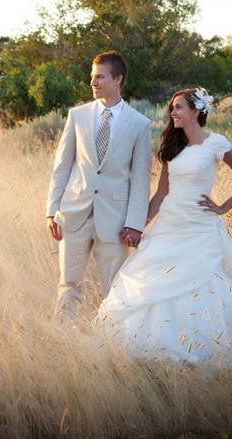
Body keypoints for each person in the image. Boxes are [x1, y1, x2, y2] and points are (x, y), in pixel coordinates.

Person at [96, 87, 232, 366]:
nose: (173, 113)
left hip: (200, 227)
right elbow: (161, 194)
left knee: (201, 281)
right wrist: (137, 225)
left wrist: (222, 208)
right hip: (170, 224)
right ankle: (151, 346)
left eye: (179, 107)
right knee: (152, 279)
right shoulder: (173, 148)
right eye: (172, 108)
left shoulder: (217, 143)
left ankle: (203, 345)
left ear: (197, 112)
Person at [45, 50, 152, 324]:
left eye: (100, 77)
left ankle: (111, 340)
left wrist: (135, 223)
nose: (93, 83)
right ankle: (62, 338)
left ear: (118, 79)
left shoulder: (139, 124)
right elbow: (62, 166)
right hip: (74, 213)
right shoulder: (77, 116)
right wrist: (51, 211)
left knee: (115, 288)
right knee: (68, 283)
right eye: (92, 77)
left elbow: (141, 179)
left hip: (116, 221)